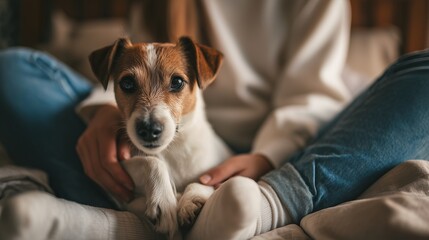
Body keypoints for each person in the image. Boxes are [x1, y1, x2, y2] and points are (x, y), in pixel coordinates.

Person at [0, 0, 428, 239]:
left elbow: (311, 95)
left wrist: (266, 158)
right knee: (11, 69)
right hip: (153, 154)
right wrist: (100, 111)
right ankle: (142, 215)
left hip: (283, 151)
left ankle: (267, 202)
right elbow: (139, 62)